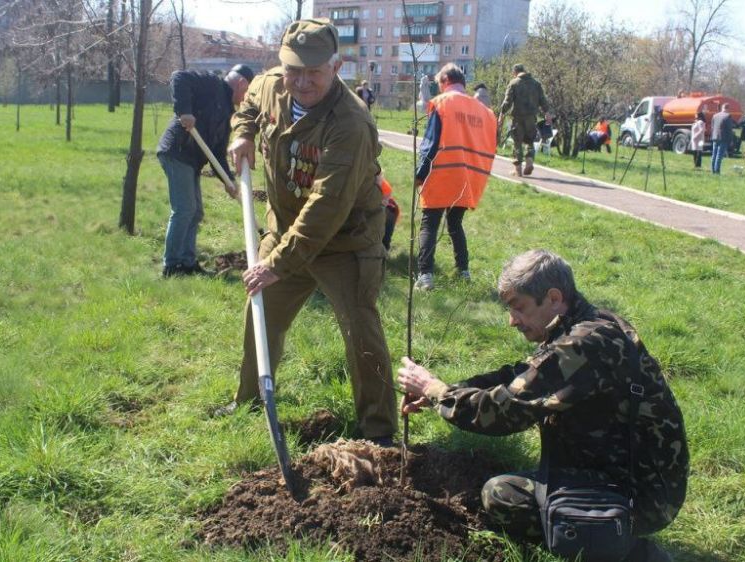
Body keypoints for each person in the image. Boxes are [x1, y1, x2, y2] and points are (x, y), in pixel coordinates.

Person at [398, 250, 689, 562]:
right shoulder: (587, 325)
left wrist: (433, 389)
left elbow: (501, 413)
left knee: (500, 495)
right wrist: (447, 390)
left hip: (642, 495)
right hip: (629, 473)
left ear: (552, 297)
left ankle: (629, 550)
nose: (512, 321)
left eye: (518, 307)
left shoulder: (583, 345)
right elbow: (522, 376)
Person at [221, 19, 398, 445]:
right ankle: (249, 401)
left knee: (361, 329)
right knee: (261, 313)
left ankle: (378, 432)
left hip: (345, 241)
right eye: (293, 70)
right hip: (284, 228)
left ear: (336, 67)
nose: (301, 82)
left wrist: (276, 263)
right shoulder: (270, 85)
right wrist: (242, 134)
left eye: (313, 72)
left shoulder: (350, 123)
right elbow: (247, 107)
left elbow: (327, 207)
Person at [156, 64, 252, 277]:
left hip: (192, 160)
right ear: (241, 84)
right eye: (248, 93)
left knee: (195, 211)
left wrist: (228, 180)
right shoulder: (211, 83)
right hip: (177, 151)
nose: (246, 99)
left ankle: (187, 263)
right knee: (185, 209)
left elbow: (216, 153)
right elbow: (178, 76)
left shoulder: (228, 112)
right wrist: (185, 111)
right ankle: (171, 265)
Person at [414, 63, 497, 291]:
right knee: (455, 224)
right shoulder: (484, 112)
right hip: (470, 179)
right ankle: (463, 270)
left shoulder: (441, 104)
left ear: (444, 82)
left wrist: (419, 174)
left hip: (442, 173)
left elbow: (430, 143)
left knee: (429, 224)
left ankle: (425, 276)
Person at [498, 63, 550, 177]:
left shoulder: (514, 83)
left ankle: (518, 170)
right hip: (531, 118)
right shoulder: (536, 84)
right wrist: (547, 113)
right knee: (530, 141)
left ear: (515, 72)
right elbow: (543, 100)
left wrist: (501, 114)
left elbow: (507, 101)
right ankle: (530, 160)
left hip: (517, 117)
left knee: (517, 142)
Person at [709, 103, 735, 174]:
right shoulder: (728, 116)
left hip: (715, 137)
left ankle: (713, 170)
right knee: (719, 155)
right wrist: (731, 140)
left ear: (722, 108)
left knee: (714, 154)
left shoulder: (715, 115)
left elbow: (712, 127)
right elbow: (729, 129)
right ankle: (717, 171)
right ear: (728, 108)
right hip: (723, 138)